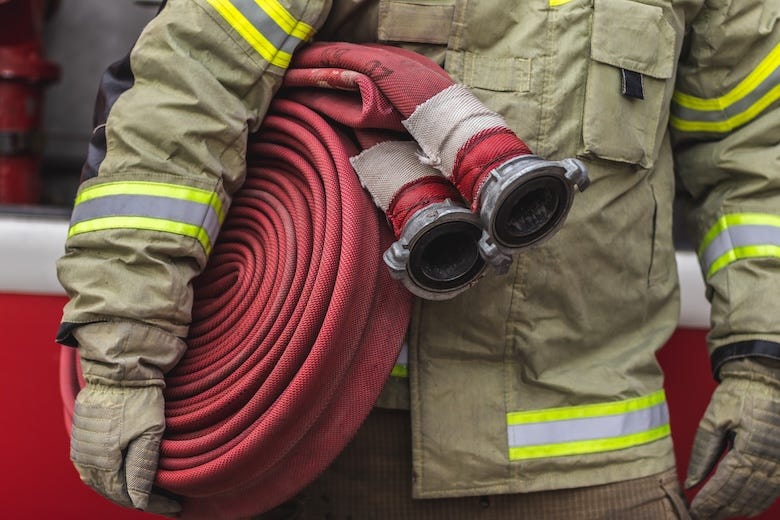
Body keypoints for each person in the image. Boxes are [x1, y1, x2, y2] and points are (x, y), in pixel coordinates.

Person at [56, 0, 780, 518]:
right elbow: (188, 95)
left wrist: (765, 367)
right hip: (334, 456)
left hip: (595, 469)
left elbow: (757, 163)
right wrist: (123, 360)